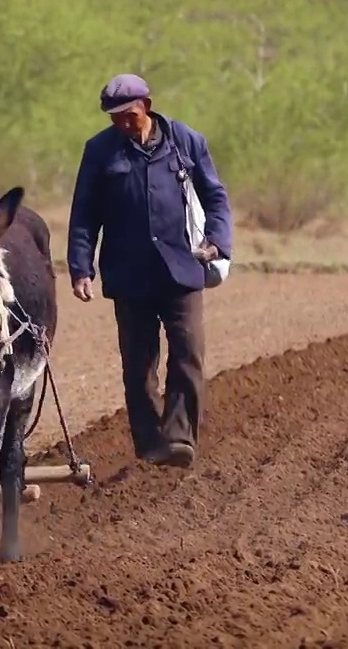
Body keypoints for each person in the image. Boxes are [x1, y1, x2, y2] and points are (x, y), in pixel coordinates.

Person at [66, 73, 234, 468]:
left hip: (182, 269)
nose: (123, 123)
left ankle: (179, 438)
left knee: (188, 353)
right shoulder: (100, 152)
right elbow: (84, 215)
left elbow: (215, 196)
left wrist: (217, 241)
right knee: (138, 366)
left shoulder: (185, 141)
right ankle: (149, 442)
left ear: (147, 105)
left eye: (129, 115)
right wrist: (80, 267)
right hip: (129, 275)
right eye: (115, 118)